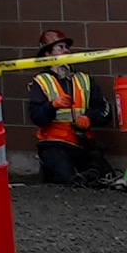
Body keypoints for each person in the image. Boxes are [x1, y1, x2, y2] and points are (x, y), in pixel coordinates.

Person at [25, 32, 94, 188]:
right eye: (60, 48)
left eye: (67, 48)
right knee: (70, 180)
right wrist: (52, 106)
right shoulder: (41, 81)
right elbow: (36, 118)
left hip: (82, 145)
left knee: (101, 175)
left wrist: (89, 118)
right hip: (54, 146)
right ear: (48, 54)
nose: (66, 51)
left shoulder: (84, 79)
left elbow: (105, 111)